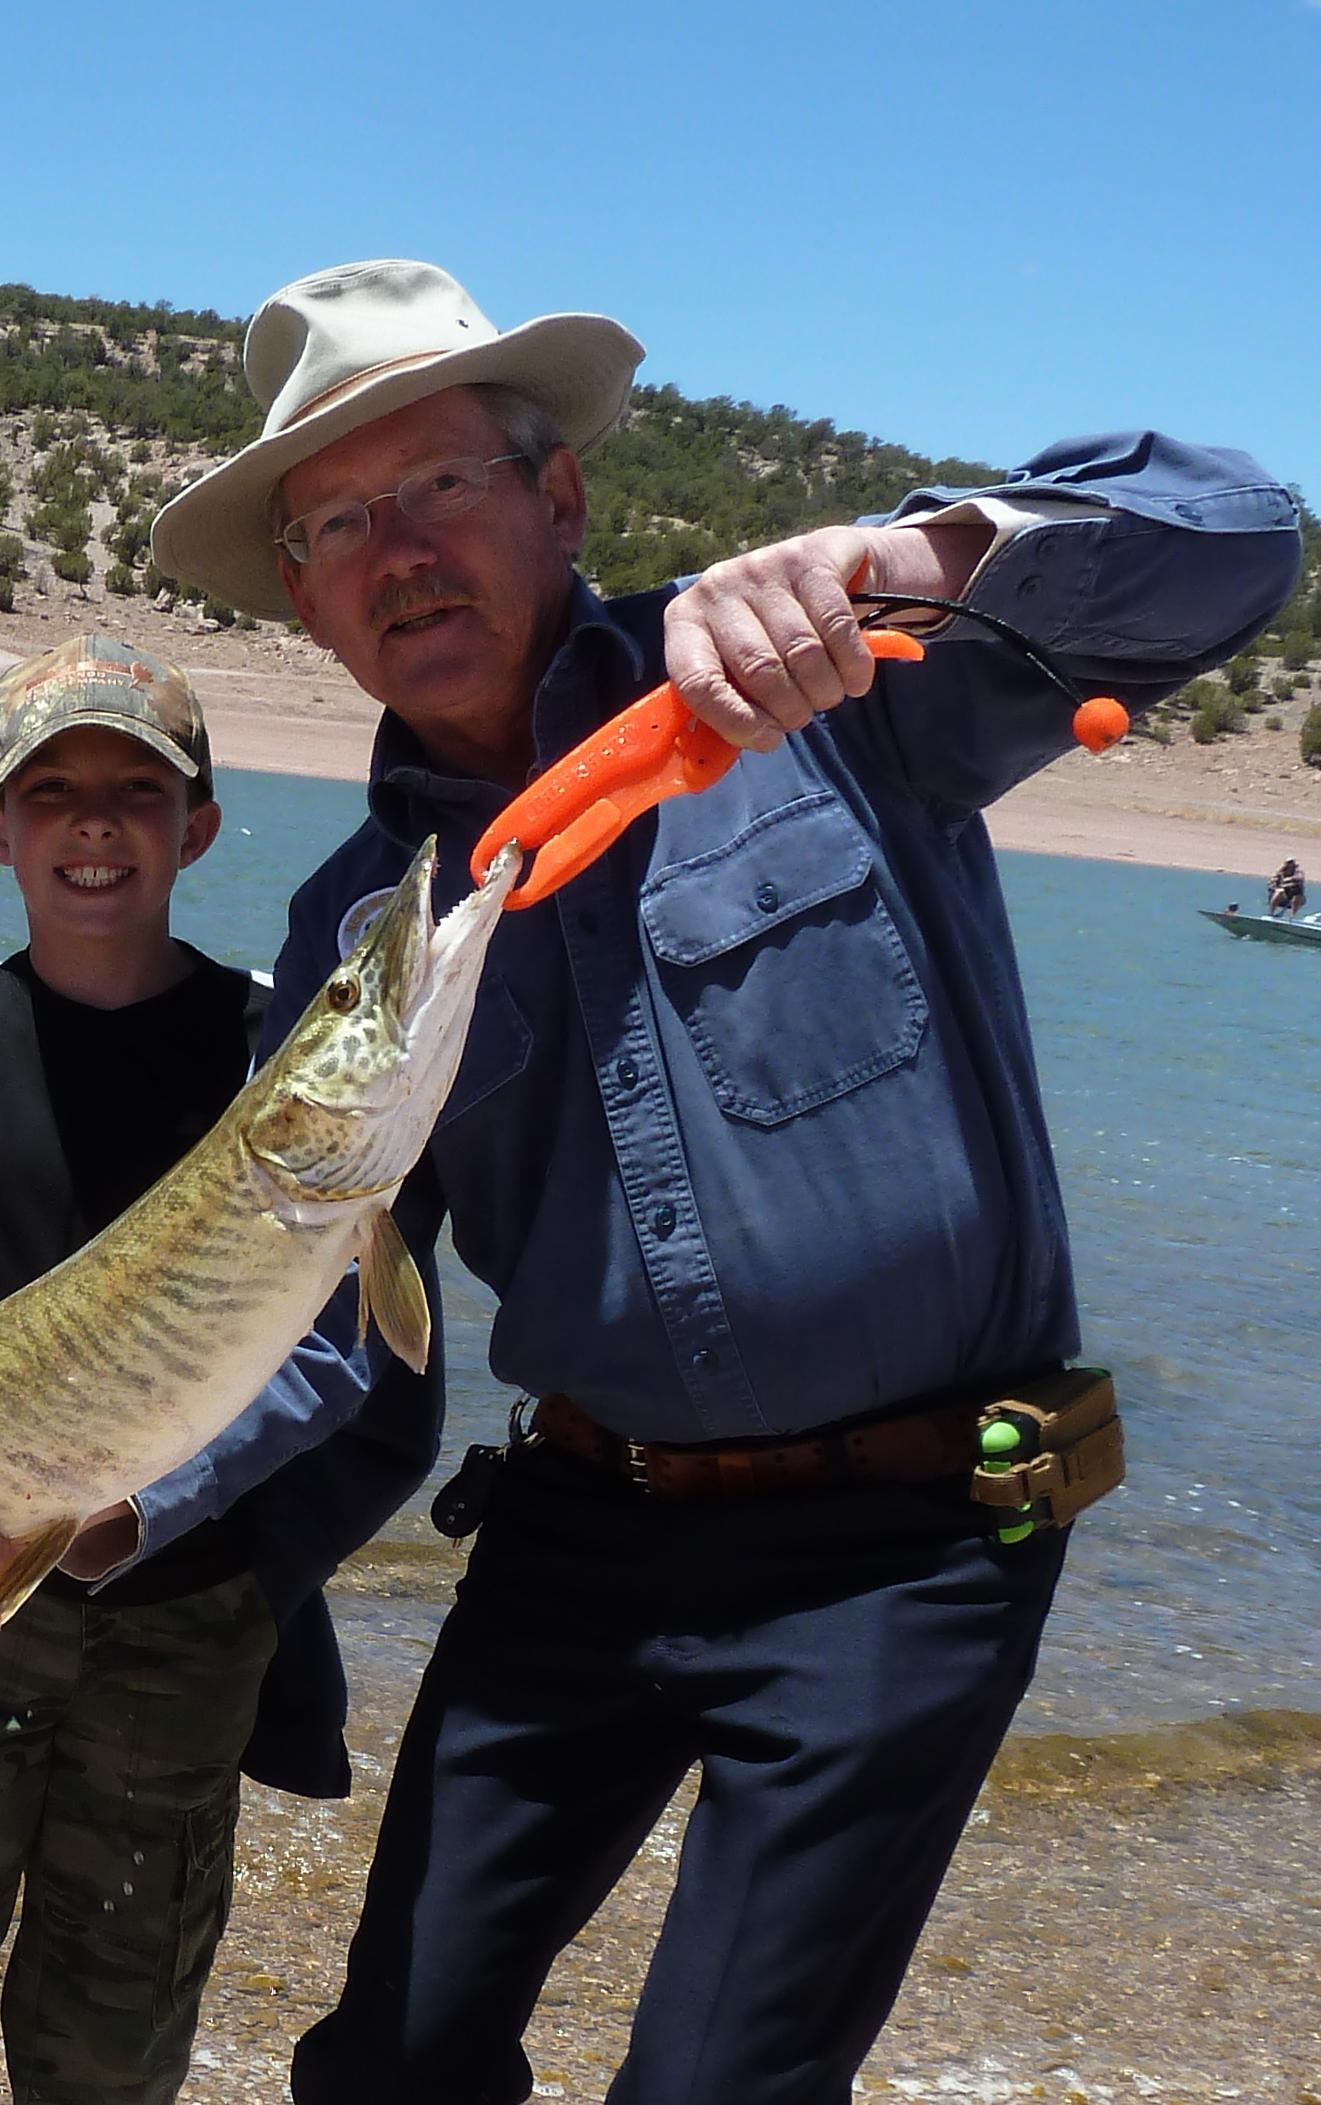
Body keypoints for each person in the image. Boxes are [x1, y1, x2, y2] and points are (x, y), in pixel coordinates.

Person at [126, 259, 1303, 2104]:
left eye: (439, 484)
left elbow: (1240, 540)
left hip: (914, 1540)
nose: (398, 548)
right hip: (577, 1532)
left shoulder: (821, 684)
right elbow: (320, 1326)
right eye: (339, 520)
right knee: (388, 2063)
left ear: (559, 499)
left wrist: (922, 556)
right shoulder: (353, 929)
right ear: (304, 598)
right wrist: (81, 1507)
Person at [0, 634, 377, 2105]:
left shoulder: (289, 1061)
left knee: (115, 2041)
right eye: (49, 788)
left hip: (179, 1638)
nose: (93, 821)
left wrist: (137, 1514)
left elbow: (339, 1355)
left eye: (138, 787)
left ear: (194, 824)